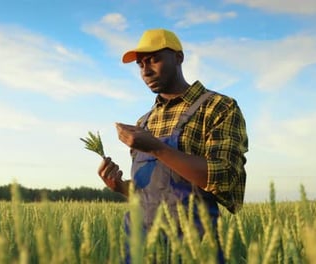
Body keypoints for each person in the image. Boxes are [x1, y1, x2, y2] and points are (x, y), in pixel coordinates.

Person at [97, 28, 248, 263]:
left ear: (179, 57)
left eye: (154, 59)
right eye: (140, 64)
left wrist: (158, 148)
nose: (146, 70)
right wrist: (120, 187)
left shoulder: (218, 107)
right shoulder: (143, 122)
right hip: (140, 250)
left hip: (193, 251)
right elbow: (153, 196)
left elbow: (225, 177)